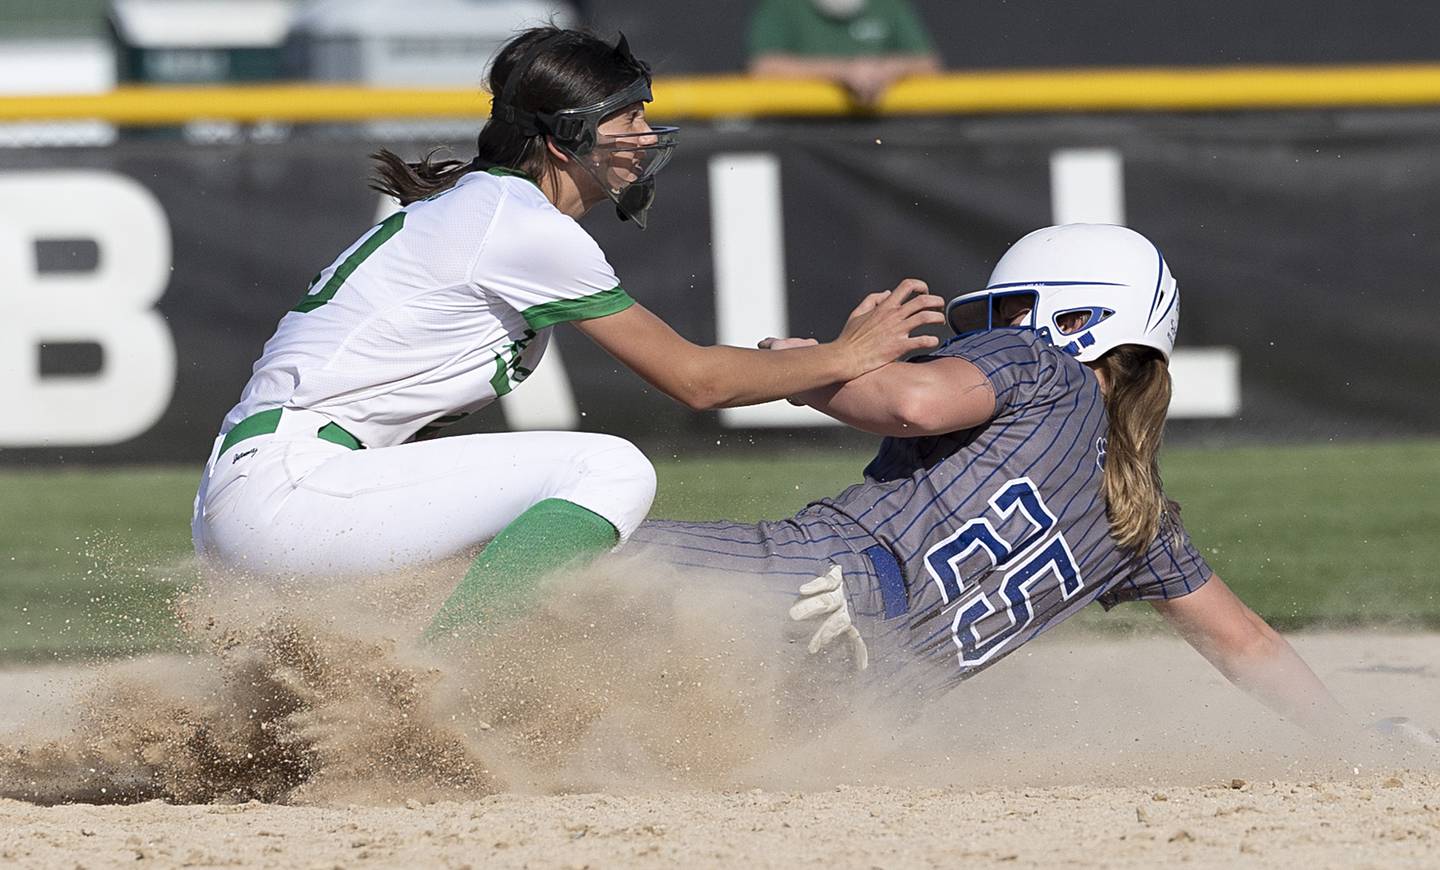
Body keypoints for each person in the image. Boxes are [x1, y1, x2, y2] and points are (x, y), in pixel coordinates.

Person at [188, 26, 946, 639]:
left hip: (274, 497)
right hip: (296, 493)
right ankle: (441, 687)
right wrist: (847, 356)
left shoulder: (484, 208)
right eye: (630, 118)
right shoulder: (519, 224)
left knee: (525, 548)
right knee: (609, 472)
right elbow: (697, 381)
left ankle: (363, 695)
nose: (647, 138)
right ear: (565, 138)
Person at [630, 223, 1365, 736]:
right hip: (864, 702)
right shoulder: (1139, 519)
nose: (1002, 326)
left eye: (1017, 309)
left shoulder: (1039, 364)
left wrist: (816, 365)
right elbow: (1248, 645)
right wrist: (1347, 740)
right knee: (631, 714)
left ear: (1082, 317)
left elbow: (914, 403)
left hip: (823, 577)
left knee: (566, 554)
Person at [747, 0, 941, 106]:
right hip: (799, 130)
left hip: (881, 130)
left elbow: (928, 64)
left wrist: (887, 69)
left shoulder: (889, 5)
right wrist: (843, 72)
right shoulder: (782, 6)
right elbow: (763, 66)